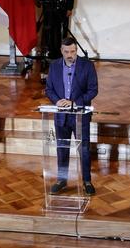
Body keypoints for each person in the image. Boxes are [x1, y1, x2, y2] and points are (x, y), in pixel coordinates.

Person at [45, 37, 98, 195]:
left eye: (73, 51)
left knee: (84, 150)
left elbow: (93, 90)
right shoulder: (54, 67)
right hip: (61, 116)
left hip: (80, 115)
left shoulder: (87, 66)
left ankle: (87, 181)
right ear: (61, 51)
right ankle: (62, 180)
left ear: (77, 51)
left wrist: (75, 103)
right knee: (62, 149)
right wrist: (58, 101)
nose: (70, 55)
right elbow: (49, 89)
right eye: (67, 52)